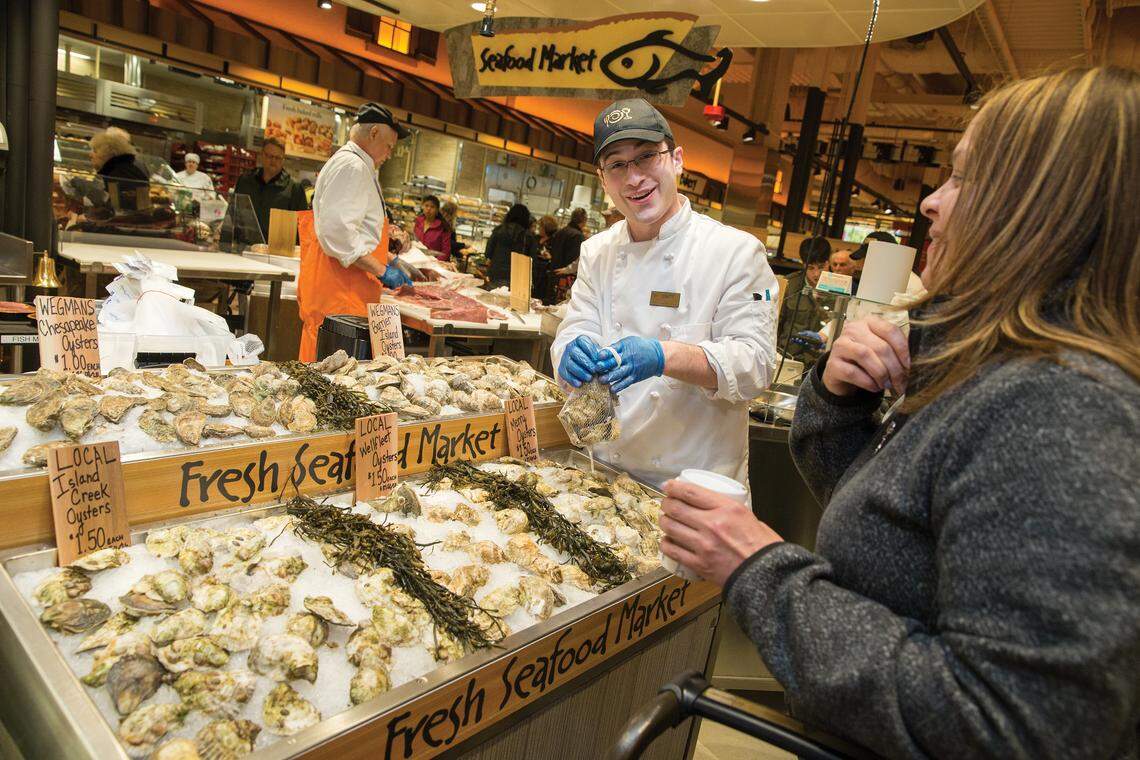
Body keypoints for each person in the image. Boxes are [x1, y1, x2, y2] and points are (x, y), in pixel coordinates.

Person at [656, 67, 1139, 758]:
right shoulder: (993, 365)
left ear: (1045, 206)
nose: (931, 204)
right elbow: (897, 536)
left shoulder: (1061, 407)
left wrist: (757, 565)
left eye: (963, 179)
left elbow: (1015, 726)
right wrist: (838, 399)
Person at [551, 98, 778, 489]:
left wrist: (663, 356)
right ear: (602, 179)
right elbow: (578, 324)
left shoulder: (735, 252)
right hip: (605, 474)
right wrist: (571, 349)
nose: (634, 178)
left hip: (694, 484)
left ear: (676, 160)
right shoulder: (597, 251)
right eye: (617, 165)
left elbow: (756, 365)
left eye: (645, 157)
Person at [296, 102, 414, 362]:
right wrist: (383, 271)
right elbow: (338, 233)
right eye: (389, 146)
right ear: (373, 133)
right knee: (325, 383)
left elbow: (353, 227)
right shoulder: (353, 166)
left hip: (345, 293)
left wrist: (389, 255)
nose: (389, 153)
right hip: (339, 294)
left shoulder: (358, 165)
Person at [233, 137, 308, 243]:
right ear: (262, 155)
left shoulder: (294, 188)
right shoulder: (245, 181)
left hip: (277, 251)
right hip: (244, 246)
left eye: (278, 158)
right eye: (269, 156)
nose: (273, 161)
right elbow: (234, 215)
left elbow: (302, 226)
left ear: (283, 160)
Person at [777, 236, 831, 369]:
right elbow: (776, 322)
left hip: (818, 363)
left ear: (827, 263)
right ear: (803, 264)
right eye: (811, 268)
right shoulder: (790, 285)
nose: (816, 274)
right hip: (787, 357)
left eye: (821, 267)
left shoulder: (838, 289)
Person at [89, 128, 149, 210]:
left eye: (95, 151)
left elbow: (115, 207)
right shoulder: (126, 168)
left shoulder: (116, 174)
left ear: (107, 153)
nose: (90, 155)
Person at [484, 203, 539, 290]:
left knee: (491, 301)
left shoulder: (499, 230)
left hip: (496, 274)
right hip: (517, 277)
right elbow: (532, 261)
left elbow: (488, 253)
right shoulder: (528, 236)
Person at [413, 195, 452, 262]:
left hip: (434, 264)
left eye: (432, 207)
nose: (428, 209)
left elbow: (446, 252)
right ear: (423, 207)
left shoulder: (443, 227)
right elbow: (414, 242)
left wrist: (434, 263)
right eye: (426, 206)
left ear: (437, 210)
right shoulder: (418, 222)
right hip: (416, 260)